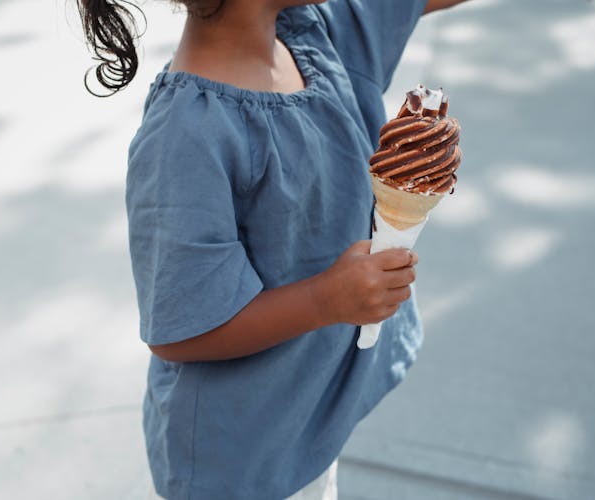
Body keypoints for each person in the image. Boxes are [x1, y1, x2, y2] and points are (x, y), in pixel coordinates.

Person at [75, 0, 467, 498]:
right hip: (240, 459)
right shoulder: (186, 136)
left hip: (307, 430)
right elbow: (178, 333)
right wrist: (327, 299)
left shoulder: (313, 36)